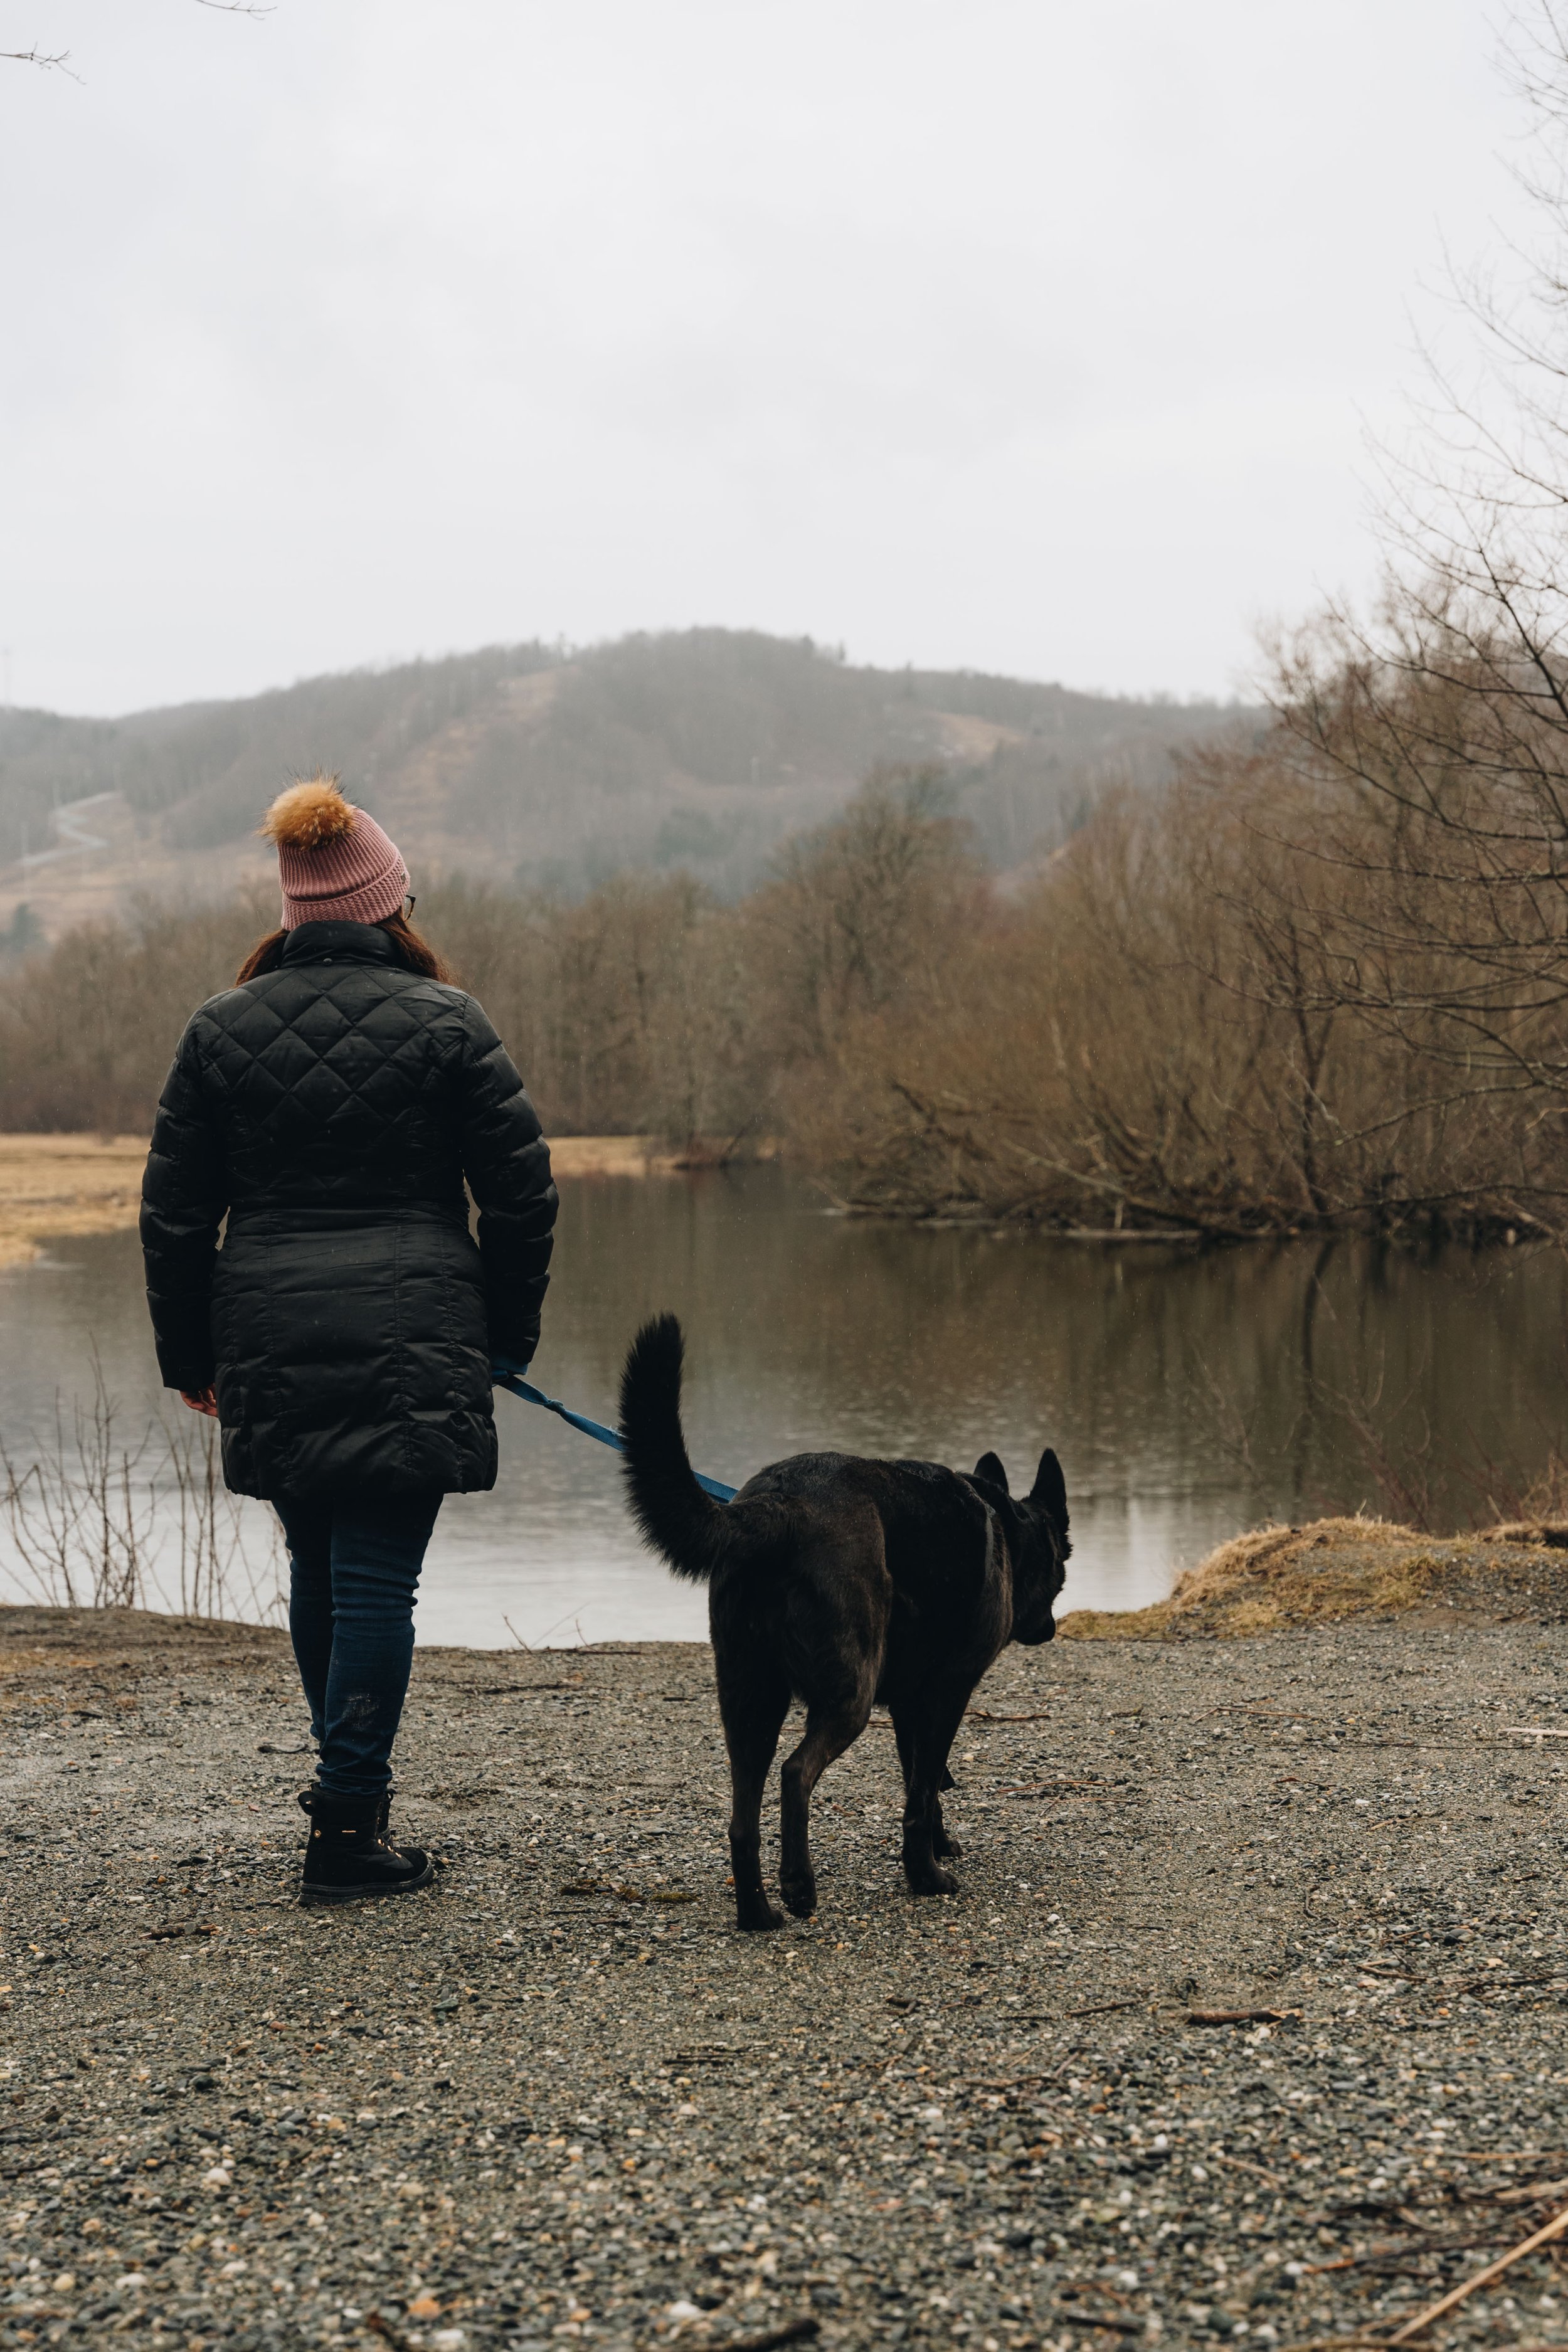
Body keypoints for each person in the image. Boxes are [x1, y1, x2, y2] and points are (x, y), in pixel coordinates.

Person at [140, 774, 557, 1905]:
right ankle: (344, 1831)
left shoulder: (219, 1031)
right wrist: (503, 1340)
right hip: (414, 1331)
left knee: (320, 1565)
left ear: (292, 913)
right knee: (375, 1575)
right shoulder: (449, 1022)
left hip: (268, 1332)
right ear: (389, 905)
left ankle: (346, 1808)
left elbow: (175, 1215)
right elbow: (521, 1196)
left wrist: (193, 1361)